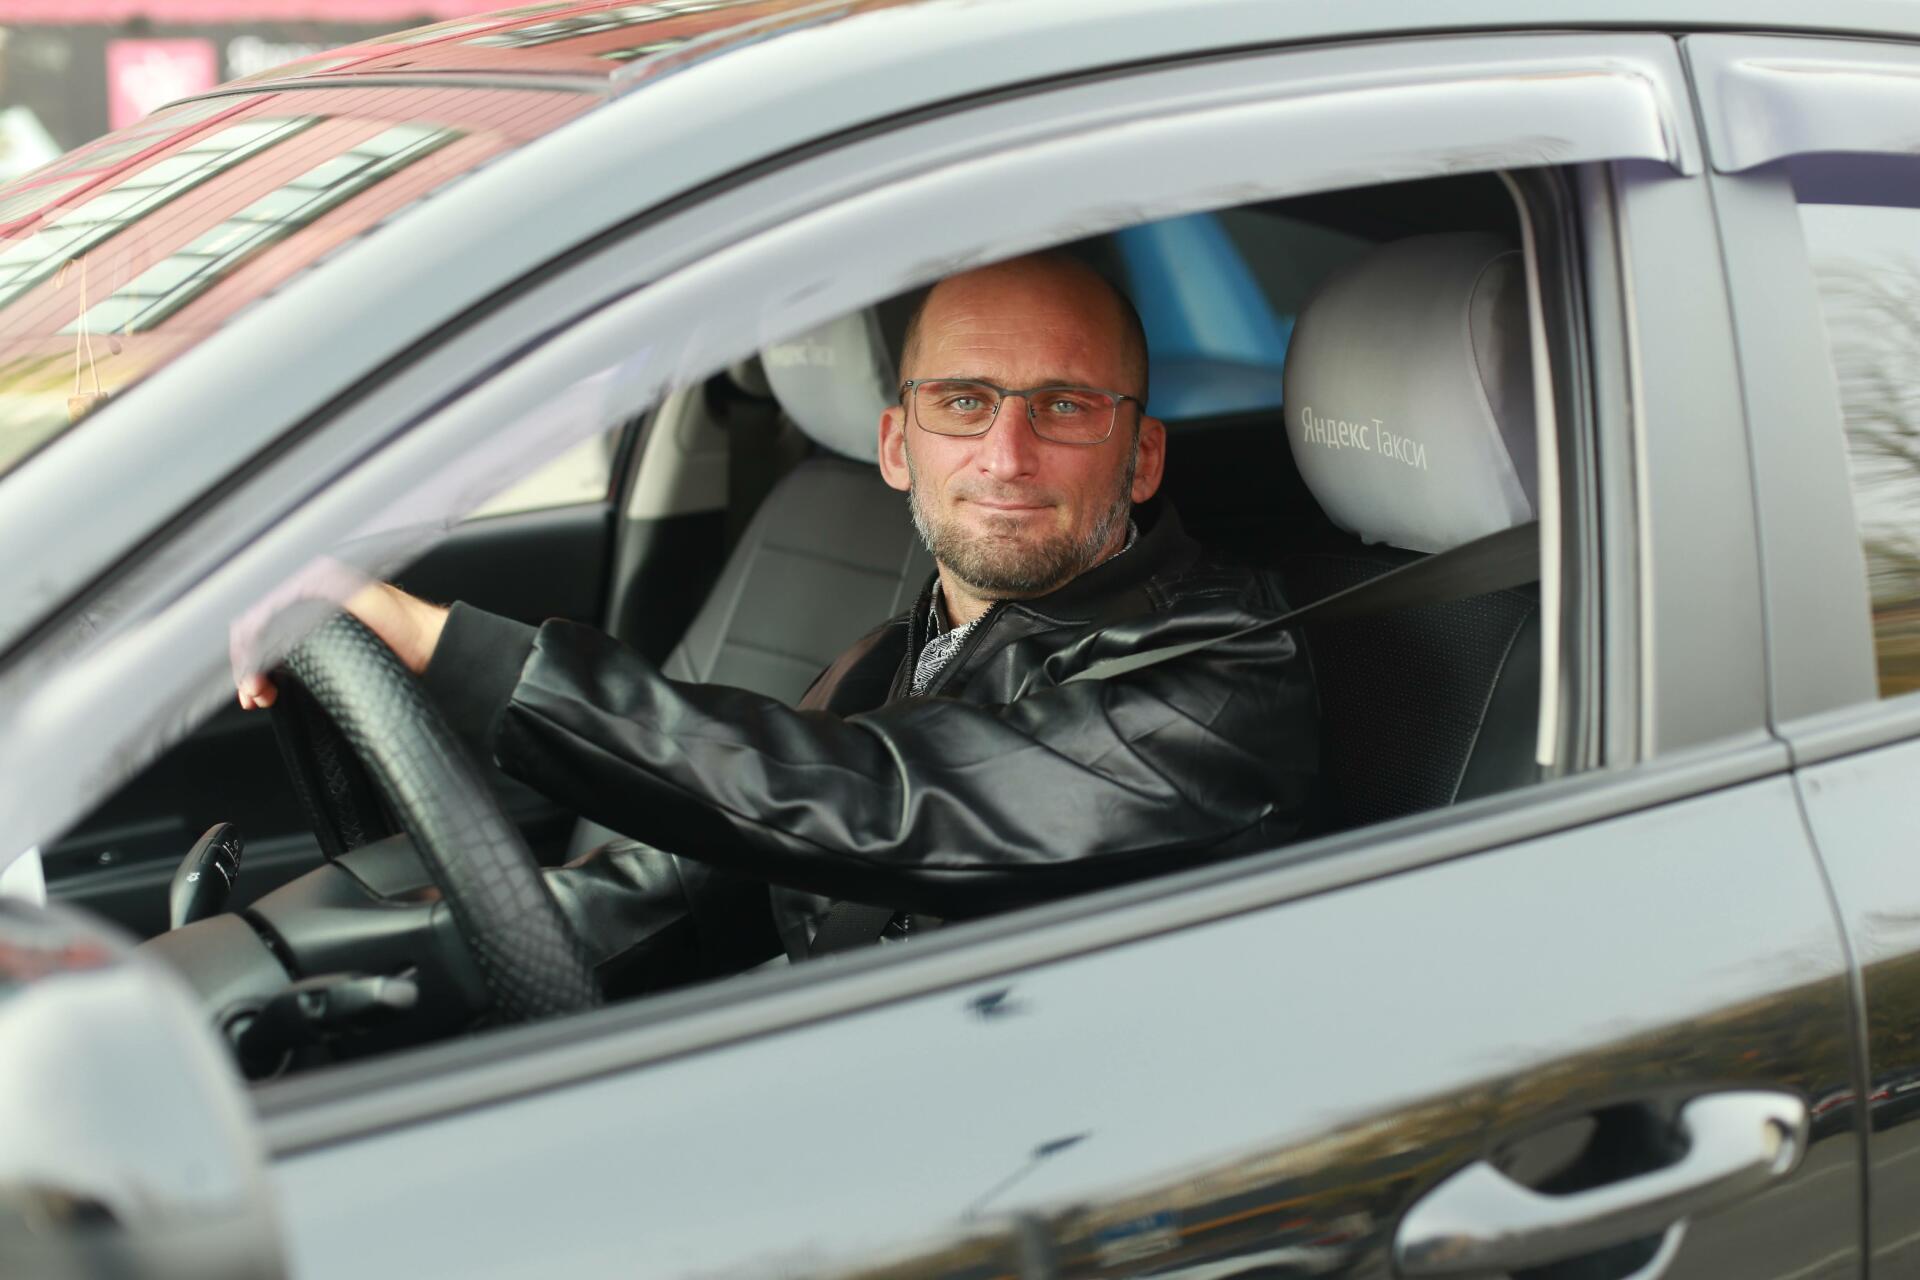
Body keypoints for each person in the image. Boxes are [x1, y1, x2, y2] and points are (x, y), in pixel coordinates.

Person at [238, 252, 1321, 986]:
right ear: (896, 446)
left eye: (1065, 406)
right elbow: (695, 883)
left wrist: (441, 644)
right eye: (963, 401)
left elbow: (874, 800)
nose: (1005, 453)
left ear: (1143, 458)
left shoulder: (1219, 680)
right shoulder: (894, 657)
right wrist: (402, 961)